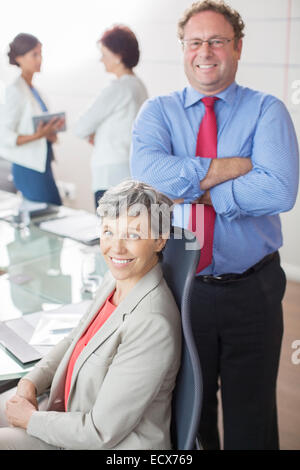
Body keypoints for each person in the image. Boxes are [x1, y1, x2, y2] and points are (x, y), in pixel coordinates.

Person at [130, 0, 299, 450]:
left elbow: (279, 191)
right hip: (181, 288)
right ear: (183, 49)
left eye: (217, 41)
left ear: (238, 47)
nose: (205, 52)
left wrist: (194, 187)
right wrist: (234, 169)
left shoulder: (268, 111)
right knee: (188, 411)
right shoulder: (157, 113)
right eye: (195, 42)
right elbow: (148, 175)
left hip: (254, 289)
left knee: (252, 413)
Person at [0, 180, 181, 450]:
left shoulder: (152, 322)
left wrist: (31, 419)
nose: (116, 248)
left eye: (132, 235)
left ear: (159, 240)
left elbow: (99, 433)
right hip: (69, 411)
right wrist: (31, 382)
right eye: (109, 232)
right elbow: (76, 338)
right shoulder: (116, 280)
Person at [75, 25, 148, 209]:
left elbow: (80, 127)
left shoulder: (117, 88)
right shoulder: (138, 86)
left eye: (104, 54)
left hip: (110, 175)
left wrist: (94, 135)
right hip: (129, 171)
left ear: (118, 55)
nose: (101, 59)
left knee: (108, 232)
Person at [0, 33, 65, 205]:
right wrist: (38, 135)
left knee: (54, 210)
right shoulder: (14, 90)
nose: (39, 59)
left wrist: (50, 133)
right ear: (19, 58)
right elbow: (4, 136)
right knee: (47, 214)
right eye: (34, 55)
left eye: (40, 54)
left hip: (42, 163)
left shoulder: (35, 91)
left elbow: (39, 128)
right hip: (27, 167)